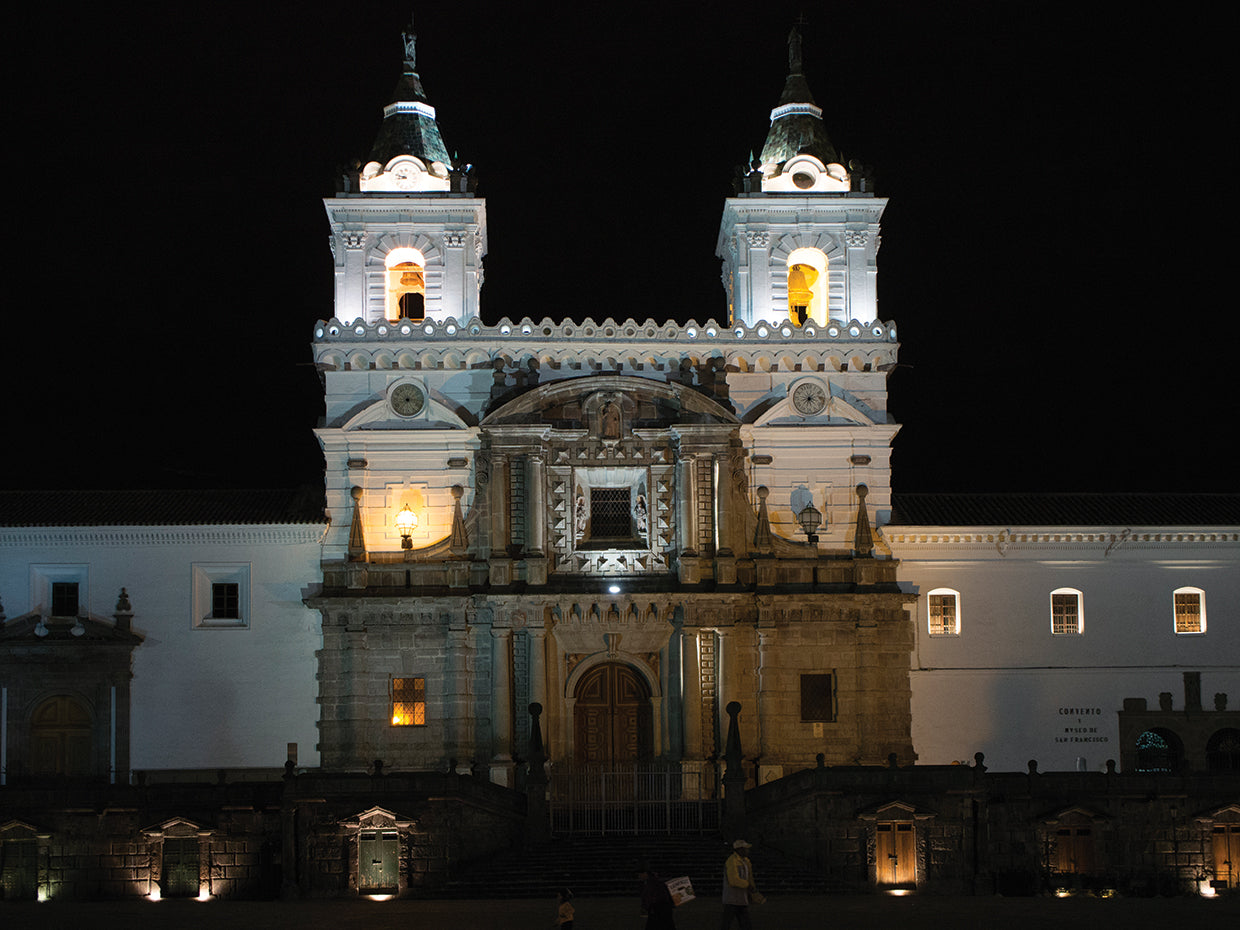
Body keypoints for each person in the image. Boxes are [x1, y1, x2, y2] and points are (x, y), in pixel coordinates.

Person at [720, 839, 763, 929]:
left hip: (737, 898)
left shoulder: (744, 861)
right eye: (746, 848)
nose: (748, 850)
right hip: (732, 898)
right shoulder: (733, 861)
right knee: (739, 923)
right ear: (740, 850)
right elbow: (734, 880)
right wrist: (749, 887)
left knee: (731, 923)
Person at [638, 863, 676, 929]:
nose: (639, 876)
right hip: (663, 907)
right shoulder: (654, 881)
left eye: (640, 874)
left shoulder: (651, 883)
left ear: (645, 874)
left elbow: (649, 897)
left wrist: (645, 907)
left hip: (657, 908)